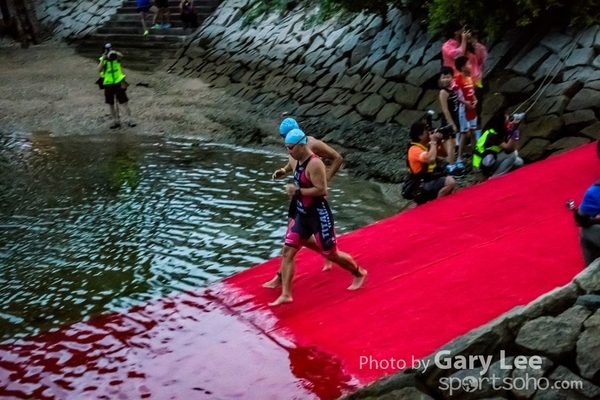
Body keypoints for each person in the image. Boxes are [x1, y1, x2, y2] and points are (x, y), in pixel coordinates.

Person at [265, 129, 367, 306]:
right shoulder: (295, 158)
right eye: (286, 148)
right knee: (288, 251)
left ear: (302, 145)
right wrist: (283, 171)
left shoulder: (315, 164)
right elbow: (290, 167)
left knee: (331, 253)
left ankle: (358, 272)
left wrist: (297, 191)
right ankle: (286, 294)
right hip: (303, 215)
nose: (288, 151)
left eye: (290, 148)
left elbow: (321, 190)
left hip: (318, 215)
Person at [268, 117, 343, 274]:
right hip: (298, 193)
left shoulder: (311, 143)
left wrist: (326, 179)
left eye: (288, 137)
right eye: (283, 138)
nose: (286, 142)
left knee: (320, 226)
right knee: (291, 232)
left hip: (311, 193)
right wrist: (283, 170)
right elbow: (294, 163)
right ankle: (285, 270)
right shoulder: (292, 148)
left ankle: (328, 253)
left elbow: (337, 158)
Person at [405, 121, 455, 205]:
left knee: (448, 181)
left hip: (428, 179)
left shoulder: (426, 145)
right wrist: (433, 142)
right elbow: (430, 159)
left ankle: (435, 204)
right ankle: (437, 206)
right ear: (420, 136)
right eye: (426, 131)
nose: (429, 133)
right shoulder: (414, 149)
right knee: (450, 182)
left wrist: (439, 142)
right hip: (419, 184)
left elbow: (444, 154)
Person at [472, 112, 524, 178]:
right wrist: (514, 131)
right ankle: (494, 177)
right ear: (501, 123)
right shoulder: (491, 134)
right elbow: (508, 148)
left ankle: (500, 172)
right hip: (483, 164)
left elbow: (514, 148)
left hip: (492, 158)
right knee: (513, 155)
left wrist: (514, 131)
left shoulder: (501, 131)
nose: (509, 122)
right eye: (507, 120)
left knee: (519, 162)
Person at [98, 46, 136, 129]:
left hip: (119, 82)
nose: (109, 52)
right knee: (111, 103)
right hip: (108, 83)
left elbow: (121, 56)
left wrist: (114, 52)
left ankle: (129, 120)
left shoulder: (116, 57)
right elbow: (99, 70)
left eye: (110, 49)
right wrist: (104, 58)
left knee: (124, 102)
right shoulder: (103, 59)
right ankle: (115, 121)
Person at [438, 66, 462, 176]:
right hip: (448, 121)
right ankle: (451, 166)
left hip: (455, 118)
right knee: (450, 143)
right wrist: (451, 123)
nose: (446, 79)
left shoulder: (452, 90)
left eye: (448, 77)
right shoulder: (443, 92)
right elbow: (445, 109)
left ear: (452, 77)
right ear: (440, 79)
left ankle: (451, 163)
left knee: (452, 143)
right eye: (443, 77)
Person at [454, 56, 478, 170]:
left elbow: (471, 92)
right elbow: (458, 96)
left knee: (473, 132)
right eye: (468, 64)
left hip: (472, 108)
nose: (470, 66)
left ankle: (476, 156)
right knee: (464, 133)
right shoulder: (458, 80)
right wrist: (466, 102)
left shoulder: (469, 78)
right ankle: (459, 158)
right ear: (463, 68)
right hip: (464, 109)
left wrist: (475, 100)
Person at [574, 177, 600, 266]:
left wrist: (594, 220)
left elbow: (581, 220)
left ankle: (593, 274)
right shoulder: (595, 192)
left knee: (586, 231)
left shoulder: (595, 192)